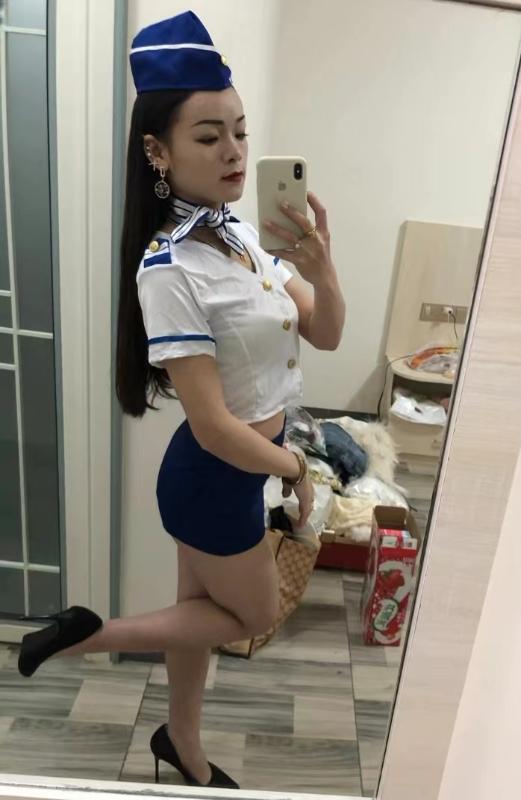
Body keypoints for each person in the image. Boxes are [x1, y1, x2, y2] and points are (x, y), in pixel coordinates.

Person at [16, 10, 345, 790]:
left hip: (233, 465)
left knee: (195, 616)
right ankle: (88, 636)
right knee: (253, 615)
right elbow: (215, 425)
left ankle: (182, 744)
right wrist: (296, 469)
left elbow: (326, 332)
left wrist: (322, 267)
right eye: (208, 135)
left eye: (240, 131)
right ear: (157, 153)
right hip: (218, 471)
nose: (234, 151)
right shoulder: (168, 269)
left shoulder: (242, 237)